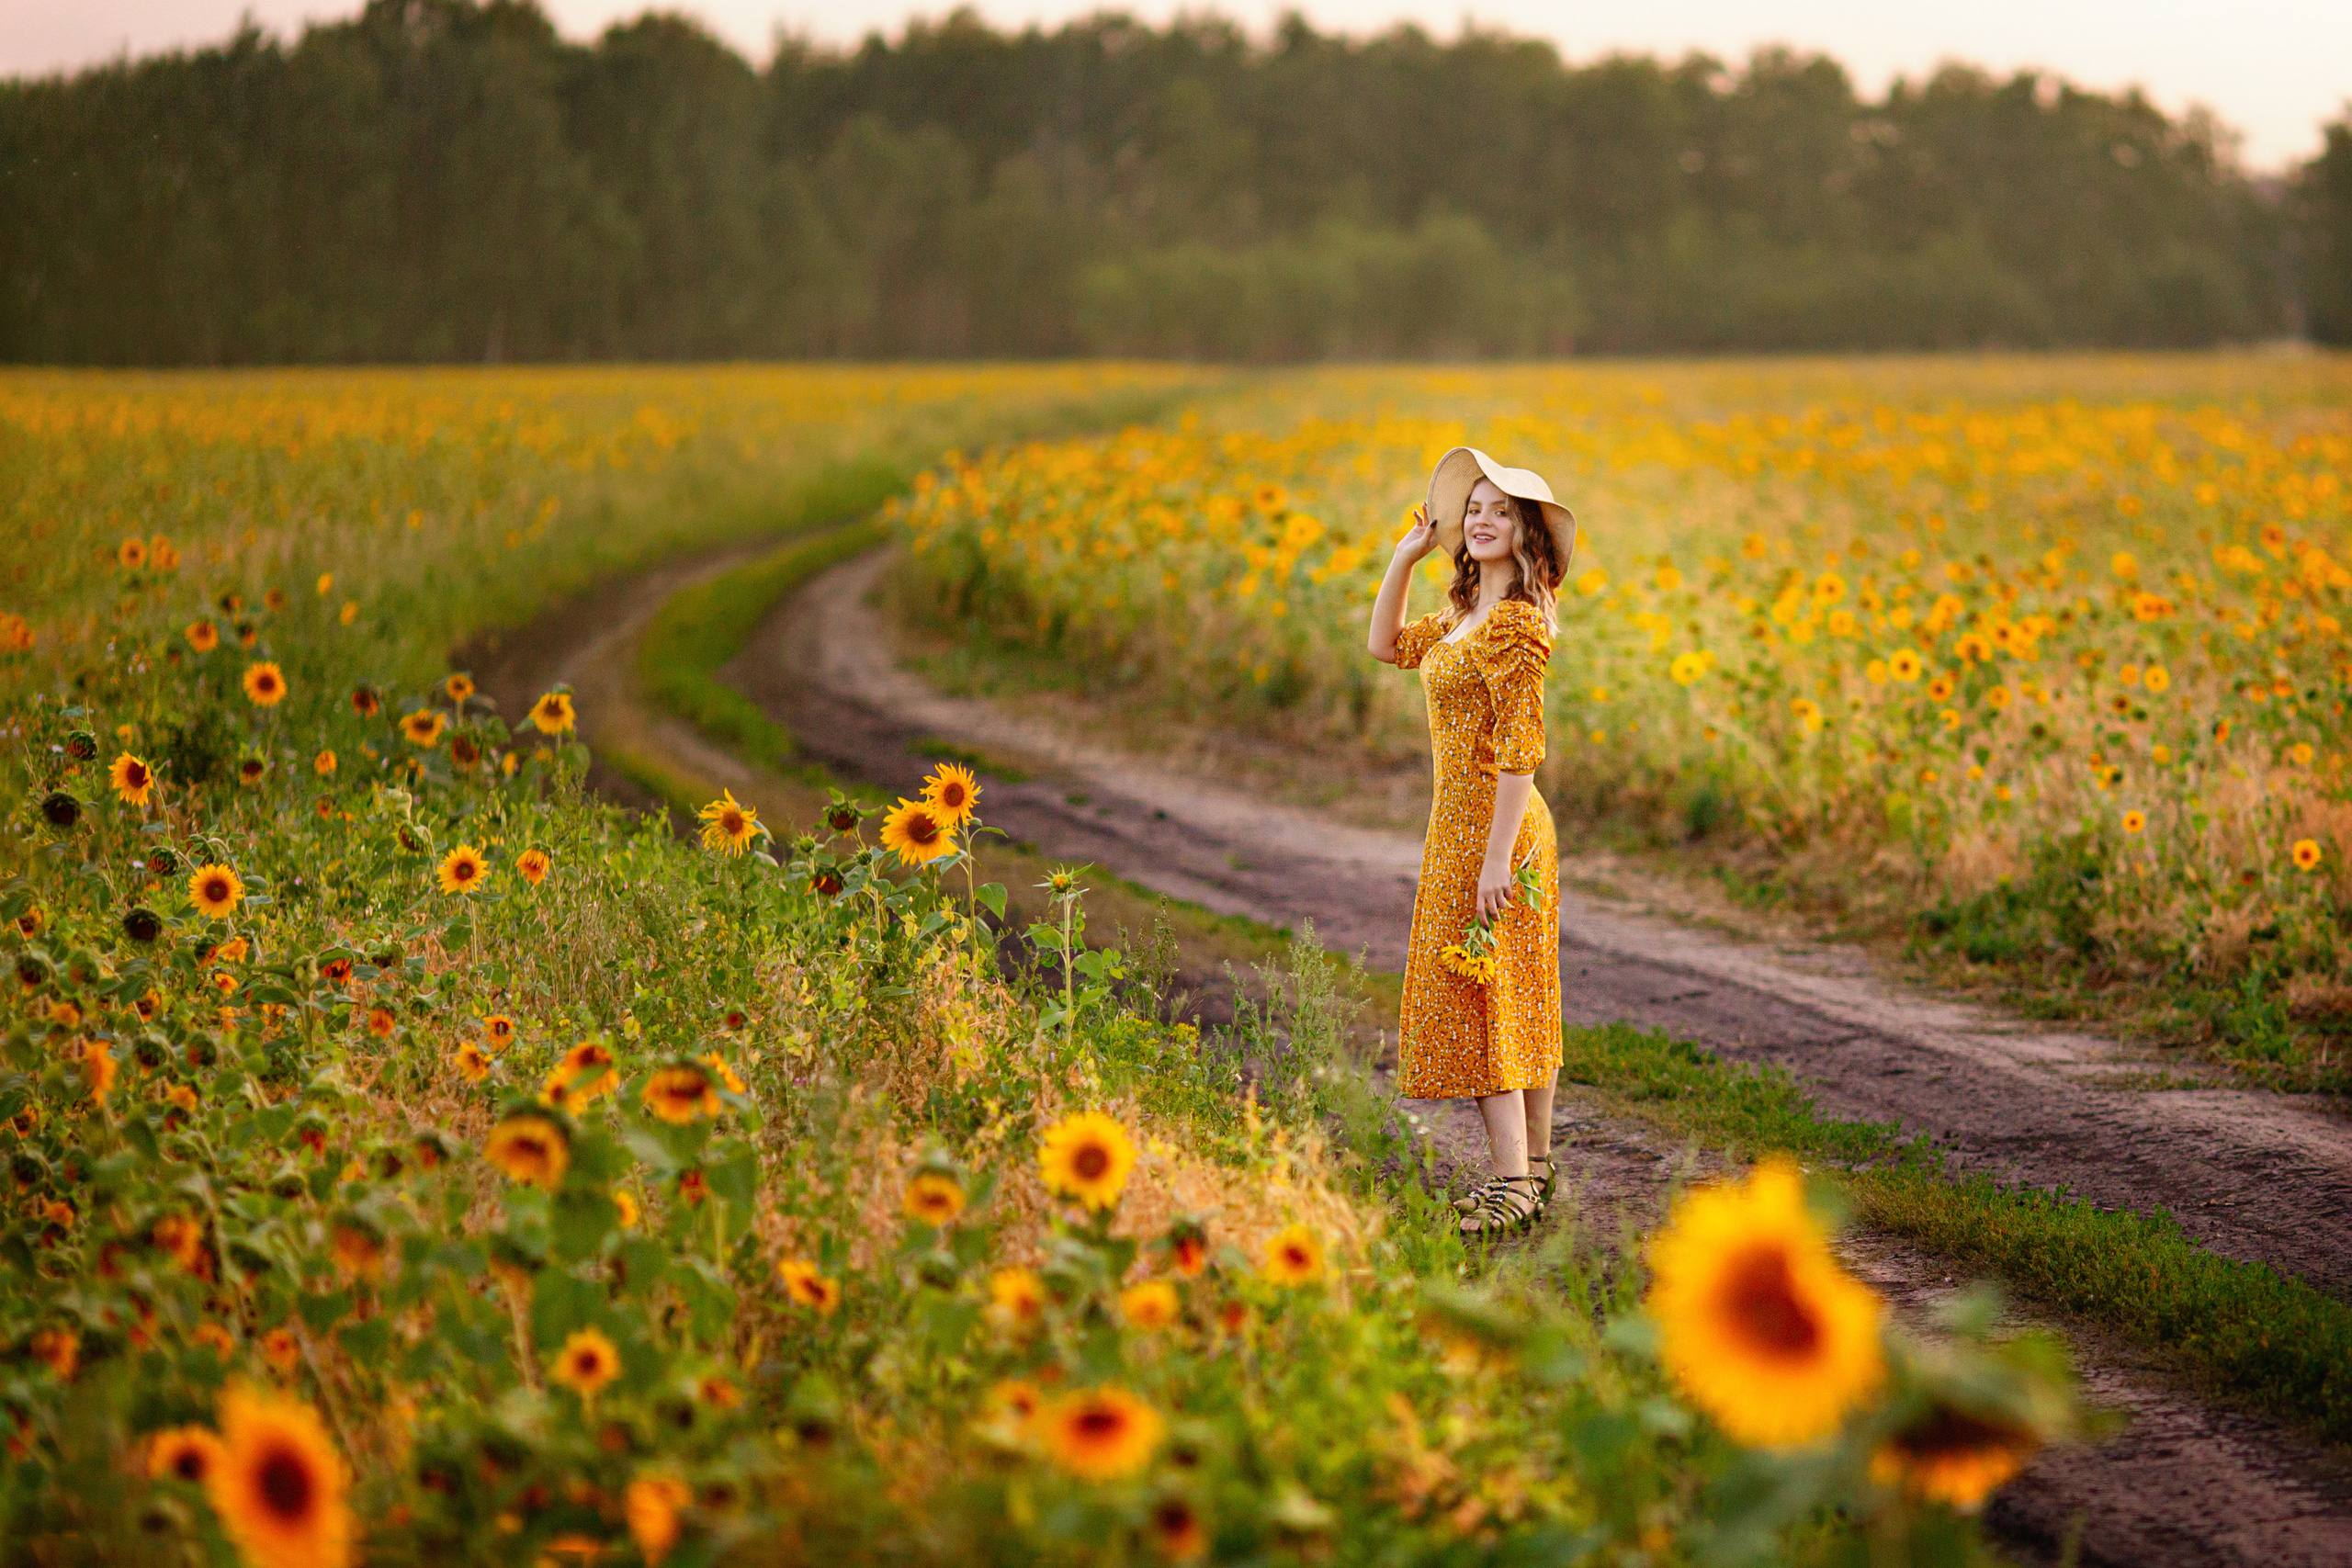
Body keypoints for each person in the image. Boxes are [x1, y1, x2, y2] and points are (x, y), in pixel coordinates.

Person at [1366, 447, 1576, 1238]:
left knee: (1487, 993)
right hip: (1457, 824)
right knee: (1510, 991)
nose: (1482, 520)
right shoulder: (1460, 618)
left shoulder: (1517, 625)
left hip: (1499, 831)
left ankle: (1513, 1184)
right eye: (1475, 508)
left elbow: (1523, 750)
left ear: (1525, 535)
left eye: (1501, 511)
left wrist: (1494, 860)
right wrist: (1404, 557)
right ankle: (1538, 1171)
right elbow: (1385, 645)